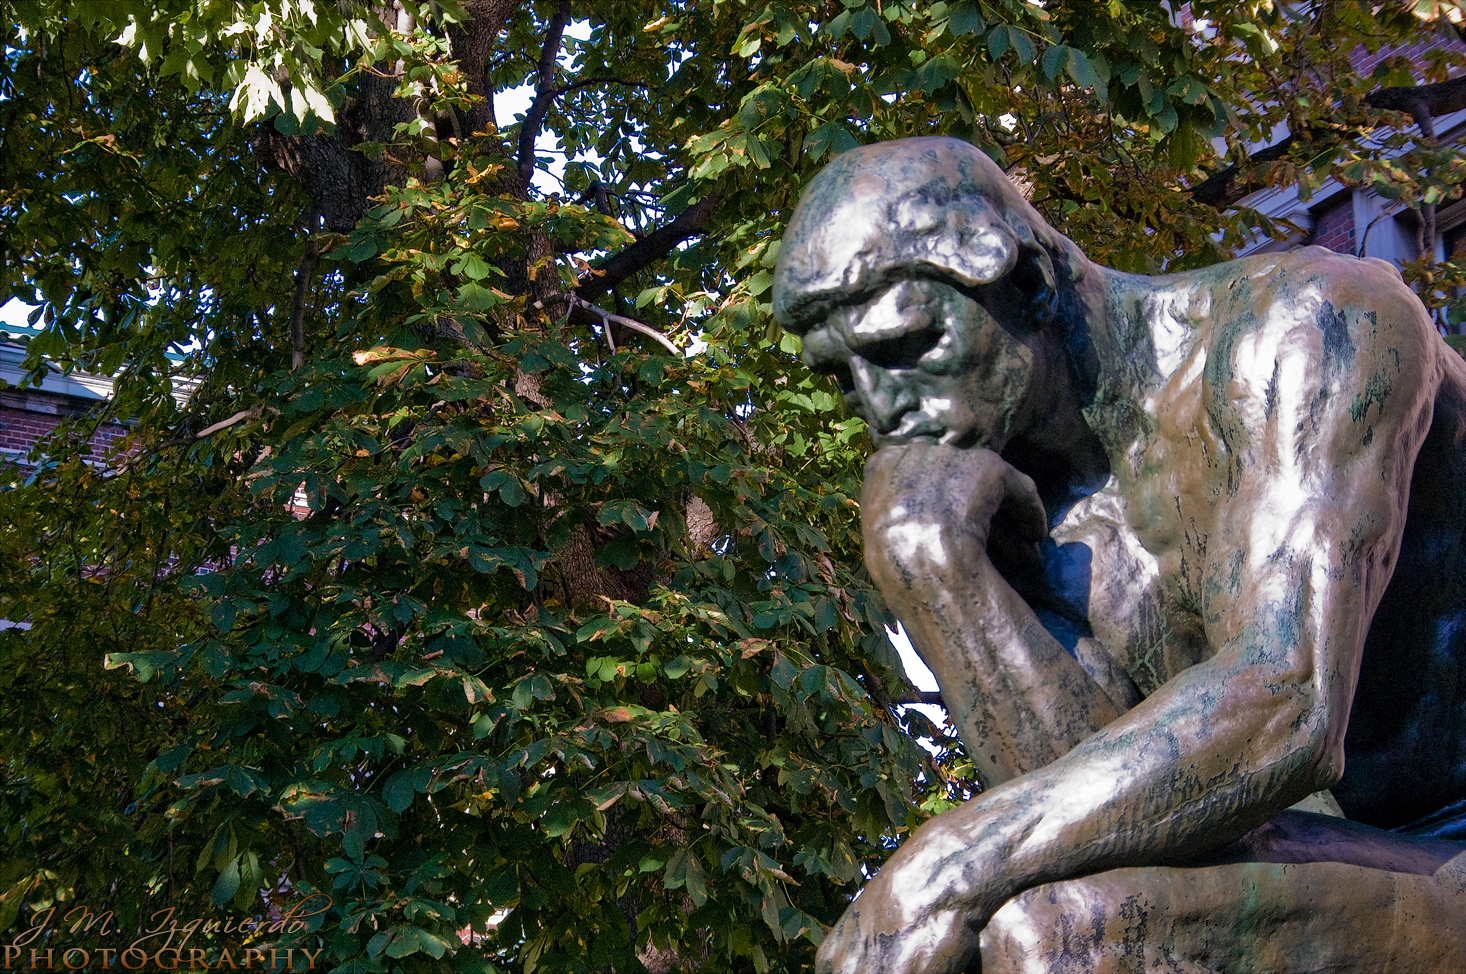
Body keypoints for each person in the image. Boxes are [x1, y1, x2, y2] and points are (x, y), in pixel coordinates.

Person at [772, 136, 1466, 974]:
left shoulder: (1315, 324)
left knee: (1053, 940)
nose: (886, 413)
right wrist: (933, 573)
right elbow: (1092, 817)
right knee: (1041, 926)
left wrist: (943, 866)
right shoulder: (1008, 502)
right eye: (846, 380)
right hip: (1344, 854)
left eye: (907, 345)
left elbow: (1288, 704)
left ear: (1025, 281)